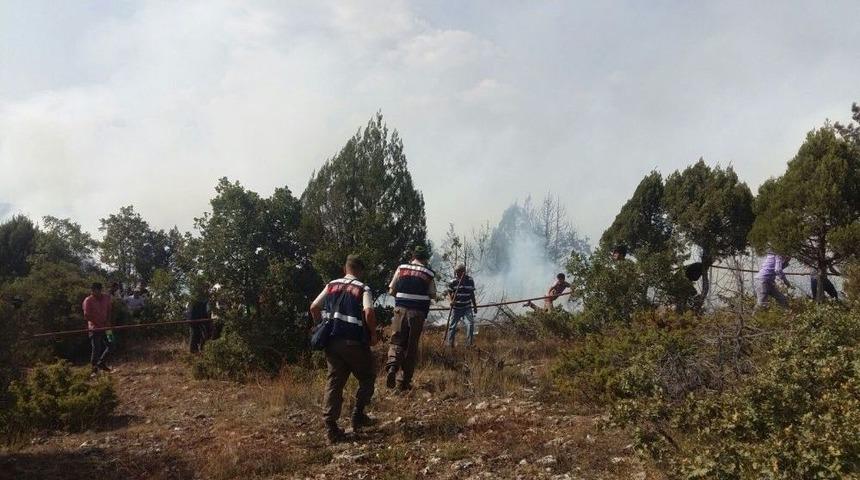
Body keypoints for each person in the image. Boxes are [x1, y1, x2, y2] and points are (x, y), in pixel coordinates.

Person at [309, 255, 378, 443]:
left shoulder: (331, 285)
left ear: (344, 268)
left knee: (334, 382)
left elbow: (314, 306)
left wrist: (319, 325)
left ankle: (331, 428)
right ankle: (358, 415)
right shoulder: (363, 288)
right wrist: (372, 334)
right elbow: (369, 312)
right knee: (368, 376)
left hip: (331, 341)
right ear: (360, 271)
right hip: (353, 342)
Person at [386, 245, 436, 391]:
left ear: (413, 257)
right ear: (425, 258)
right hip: (417, 313)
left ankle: (392, 367)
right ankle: (404, 381)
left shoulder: (401, 268)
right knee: (411, 346)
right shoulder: (428, 273)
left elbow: (391, 291)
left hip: (400, 310)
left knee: (396, 340)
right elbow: (432, 294)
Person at [82, 282, 113, 375]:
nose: (97, 292)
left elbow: (109, 310)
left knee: (112, 344)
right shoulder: (88, 300)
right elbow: (87, 316)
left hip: (107, 327)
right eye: (95, 290)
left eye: (99, 290)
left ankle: (101, 363)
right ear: (92, 291)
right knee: (96, 348)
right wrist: (98, 323)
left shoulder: (106, 297)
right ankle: (94, 370)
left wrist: (108, 321)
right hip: (94, 328)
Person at [445, 265, 478, 347]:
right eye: (457, 272)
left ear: (464, 271)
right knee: (452, 326)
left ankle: (469, 345)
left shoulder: (470, 280)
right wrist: (451, 301)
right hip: (456, 308)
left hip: (467, 307)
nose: (458, 273)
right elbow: (449, 293)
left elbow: (472, 294)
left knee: (470, 324)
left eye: (460, 271)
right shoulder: (453, 281)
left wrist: (475, 306)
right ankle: (450, 345)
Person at [186, 289, 211, 354]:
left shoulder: (204, 299)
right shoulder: (195, 300)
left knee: (203, 334)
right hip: (193, 318)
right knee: (194, 334)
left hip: (199, 317)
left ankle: (201, 349)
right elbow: (192, 311)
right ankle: (193, 351)